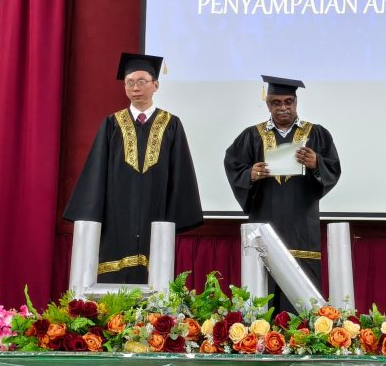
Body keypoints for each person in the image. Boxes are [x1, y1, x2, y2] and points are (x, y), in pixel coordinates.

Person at [64, 52, 203, 283]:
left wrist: (176, 213)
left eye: (141, 82)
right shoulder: (112, 123)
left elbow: (180, 173)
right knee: (115, 277)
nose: (135, 88)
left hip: (156, 211)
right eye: (129, 83)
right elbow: (95, 172)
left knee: (155, 276)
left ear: (155, 85)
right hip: (116, 214)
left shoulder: (171, 124)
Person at [224, 75, 341, 313]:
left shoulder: (316, 134)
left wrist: (316, 163)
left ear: (296, 102)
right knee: (262, 288)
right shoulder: (252, 135)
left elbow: (333, 169)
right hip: (264, 222)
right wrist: (250, 174)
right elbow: (234, 165)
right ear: (268, 104)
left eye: (288, 102)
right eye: (276, 103)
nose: (283, 107)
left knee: (302, 289)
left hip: (301, 224)